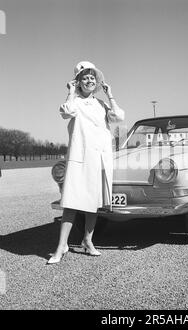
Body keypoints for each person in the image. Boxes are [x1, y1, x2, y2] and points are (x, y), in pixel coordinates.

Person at [47, 61, 125, 264]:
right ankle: (61, 246)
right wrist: (71, 92)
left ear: (97, 81)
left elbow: (119, 117)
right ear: (78, 82)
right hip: (80, 157)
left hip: (99, 158)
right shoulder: (75, 102)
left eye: (92, 77)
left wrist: (110, 95)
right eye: (84, 77)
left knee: (93, 203)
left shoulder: (101, 104)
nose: (89, 80)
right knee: (71, 203)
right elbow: (66, 111)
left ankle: (87, 241)